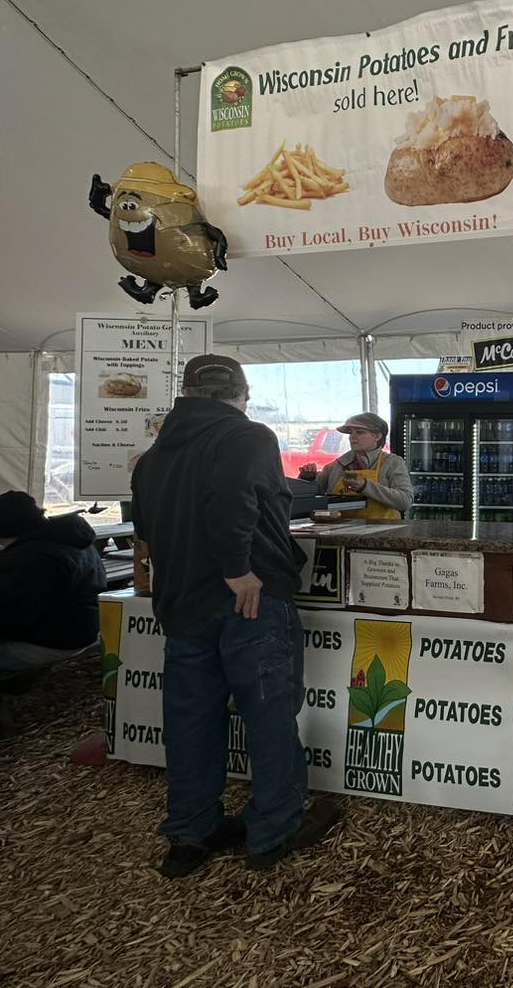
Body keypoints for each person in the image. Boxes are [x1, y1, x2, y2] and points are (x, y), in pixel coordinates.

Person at [131, 354, 337, 878]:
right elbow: (231, 501)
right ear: (241, 395)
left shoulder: (154, 455)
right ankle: (273, 831)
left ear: (186, 394)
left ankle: (191, 832)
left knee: (190, 720)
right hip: (248, 601)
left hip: (182, 603)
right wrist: (237, 569)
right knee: (268, 716)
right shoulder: (248, 436)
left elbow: (146, 527)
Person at [0, 491, 106, 671]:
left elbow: (10, 617)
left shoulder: (34, 556)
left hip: (53, 642)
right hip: (81, 630)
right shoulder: (69, 538)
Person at [299, 412, 412, 521]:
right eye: (350, 433)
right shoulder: (337, 465)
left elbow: (405, 501)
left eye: (359, 432)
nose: (352, 437)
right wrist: (307, 479)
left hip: (383, 529)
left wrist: (365, 486)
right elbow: (308, 496)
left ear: (377, 436)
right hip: (342, 530)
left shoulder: (392, 463)